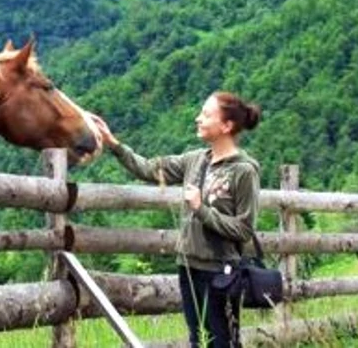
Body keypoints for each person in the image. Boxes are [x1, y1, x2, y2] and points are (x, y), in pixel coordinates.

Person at [90, 91, 262, 348]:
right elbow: (149, 169)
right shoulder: (194, 160)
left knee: (222, 342)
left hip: (221, 272)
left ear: (226, 126)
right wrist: (114, 144)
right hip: (188, 267)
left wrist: (201, 209)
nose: (198, 119)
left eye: (206, 115)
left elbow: (244, 229)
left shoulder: (244, 171)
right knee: (197, 340)